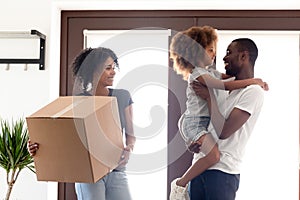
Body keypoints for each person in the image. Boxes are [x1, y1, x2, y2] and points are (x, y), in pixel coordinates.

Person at [168, 26, 267, 200]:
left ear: (244, 56)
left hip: (222, 173)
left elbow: (223, 131)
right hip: (200, 166)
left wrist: (209, 98)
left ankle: (179, 183)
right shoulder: (219, 89)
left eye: (229, 52)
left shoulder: (252, 92)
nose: (222, 56)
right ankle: (180, 185)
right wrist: (193, 143)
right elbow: (209, 123)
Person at [28, 47, 136, 200]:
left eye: (113, 67)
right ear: (93, 71)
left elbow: (131, 135)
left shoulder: (123, 96)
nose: (113, 72)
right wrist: (38, 147)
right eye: (107, 68)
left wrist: (129, 148)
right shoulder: (77, 102)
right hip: (88, 173)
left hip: (117, 169)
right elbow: (62, 139)